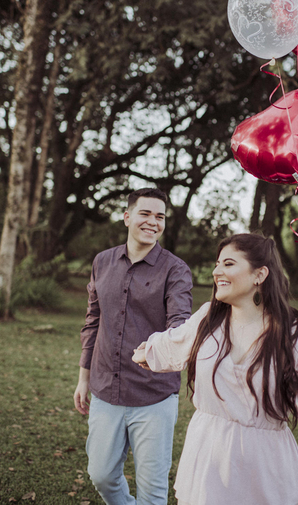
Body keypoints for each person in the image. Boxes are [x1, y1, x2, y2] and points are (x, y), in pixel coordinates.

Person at [131, 233, 298, 505]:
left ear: (259, 275)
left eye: (228, 264)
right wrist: (146, 351)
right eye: (218, 264)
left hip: (265, 461)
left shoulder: (292, 330)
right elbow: (172, 344)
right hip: (209, 453)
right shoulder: (208, 318)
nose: (217, 271)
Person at [74, 188, 194, 505]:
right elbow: (92, 320)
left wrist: (162, 345)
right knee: (101, 475)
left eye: (160, 216)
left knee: (152, 492)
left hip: (153, 394)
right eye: (145, 213)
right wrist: (84, 377)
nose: (153, 222)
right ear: (128, 217)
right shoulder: (102, 262)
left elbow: (180, 320)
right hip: (105, 389)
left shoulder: (176, 270)